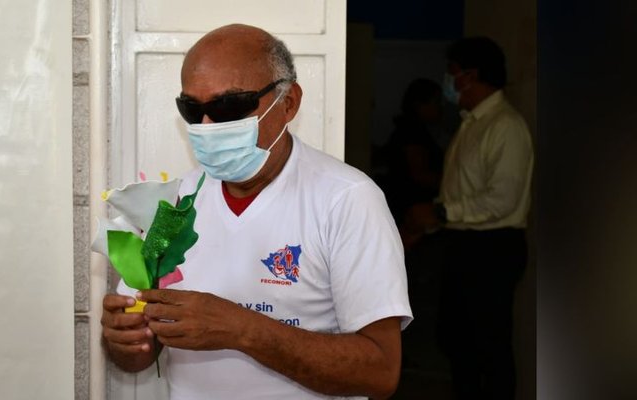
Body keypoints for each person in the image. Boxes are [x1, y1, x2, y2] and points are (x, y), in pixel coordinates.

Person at [100, 24, 412, 400]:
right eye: (192, 109)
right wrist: (127, 340)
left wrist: (243, 329)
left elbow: (380, 372)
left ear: (289, 102)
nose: (207, 126)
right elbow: (138, 355)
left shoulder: (346, 200)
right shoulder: (175, 202)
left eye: (229, 106)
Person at [411, 36, 533, 399]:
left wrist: (440, 212)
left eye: (452, 74)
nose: (448, 82)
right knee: (458, 342)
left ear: (470, 75)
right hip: (464, 243)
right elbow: (460, 190)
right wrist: (432, 222)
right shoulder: (472, 123)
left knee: (490, 346)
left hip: (492, 248)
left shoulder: (505, 126)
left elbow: (501, 200)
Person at [379, 78, 445, 249]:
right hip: (411, 208)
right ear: (420, 104)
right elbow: (419, 174)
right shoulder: (412, 133)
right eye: (436, 102)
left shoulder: (415, 130)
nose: (440, 108)